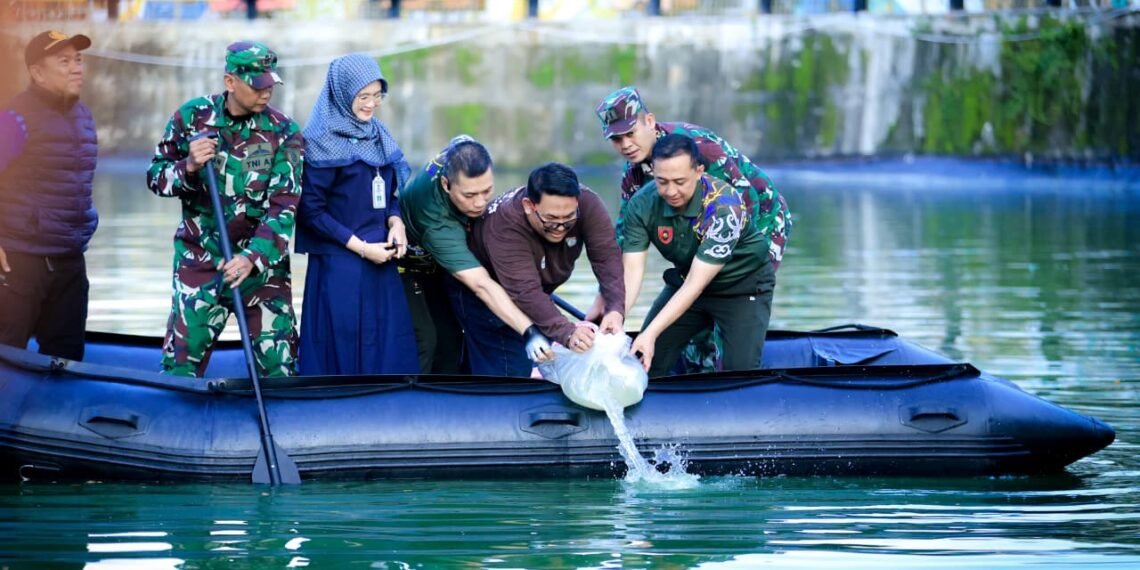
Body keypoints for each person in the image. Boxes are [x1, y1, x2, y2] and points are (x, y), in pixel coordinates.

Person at [595, 86, 791, 372]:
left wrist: (650, 332)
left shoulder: (700, 149)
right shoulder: (635, 178)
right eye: (616, 139)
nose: (625, 144)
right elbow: (625, 248)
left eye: (630, 133)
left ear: (649, 121)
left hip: (759, 220)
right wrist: (607, 307)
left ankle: (723, 361)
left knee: (722, 296)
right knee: (690, 302)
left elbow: (742, 206)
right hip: (698, 241)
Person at [146, 40, 304, 378]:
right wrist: (187, 166)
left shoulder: (284, 131)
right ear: (230, 81)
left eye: (270, 84)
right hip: (200, 264)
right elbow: (156, 178)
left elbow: (284, 206)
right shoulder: (191, 118)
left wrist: (251, 258)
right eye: (257, 85)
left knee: (279, 369)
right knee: (179, 370)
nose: (266, 93)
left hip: (262, 272)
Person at [294, 53, 418, 376]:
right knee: (341, 347)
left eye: (377, 96)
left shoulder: (378, 134)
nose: (371, 105)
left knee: (387, 349)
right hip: (340, 264)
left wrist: (396, 222)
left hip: (382, 260)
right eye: (363, 97)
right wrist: (361, 248)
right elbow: (311, 211)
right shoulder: (320, 142)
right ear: (343, 93)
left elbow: (389, 193)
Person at [620, 133, 775, 378]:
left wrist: (649, 334)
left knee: (739, 376)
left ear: (699, 171)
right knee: (643, 362)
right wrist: (617, 315)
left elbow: (695, 285)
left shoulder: (725, 206)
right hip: (684, 281)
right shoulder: (642, 204)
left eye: (680, 181)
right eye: (662, 181)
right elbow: (632, 271)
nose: (671, 191)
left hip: (741, 288)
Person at [400, 136, 553, 377]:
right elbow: (481, 285)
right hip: (407, 264)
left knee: (455, 335)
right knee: (429, 340)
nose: (480, 203)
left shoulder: (462, 150)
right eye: (470, 195)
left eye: (487, 191)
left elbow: (463, 141)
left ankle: (461, 387)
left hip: (443, 257)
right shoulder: (438, 225)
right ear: (446, 184)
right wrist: (530, 331)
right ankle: (418, 401)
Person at [467, 162, 625, 378]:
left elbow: (606, 257)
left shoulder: (589, 204)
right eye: (550, 220)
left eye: (568, 219)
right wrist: (568, 333)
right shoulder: (505, 224)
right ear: (528, 206)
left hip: (538, 290)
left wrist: (615, 307)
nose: (560, 228)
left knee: (555, 356)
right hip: (487, 293)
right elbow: (525, 291)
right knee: (511, 371)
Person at [0, 31, 97, 361]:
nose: (76, 69)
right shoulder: (15, 119)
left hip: (70, 262)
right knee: (7, 360)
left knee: (67, 362)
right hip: (19, 263)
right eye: (64, 61)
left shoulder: (84, 117)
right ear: (37, 72)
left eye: (78, 60)